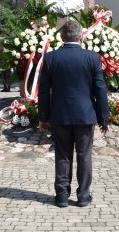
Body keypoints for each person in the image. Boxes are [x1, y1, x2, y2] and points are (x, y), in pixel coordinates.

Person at [38, 20, 109, 208]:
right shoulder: (92, 57)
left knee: (63, 155)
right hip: (85, 115)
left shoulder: (51, 58)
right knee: (84, 155)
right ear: (81, 36)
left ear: (62, 37)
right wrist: (104, 118)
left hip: (59, 115)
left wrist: (43, 117)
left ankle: (62, 196)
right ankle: (83, 196)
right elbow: (100, 90)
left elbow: (43, 91)